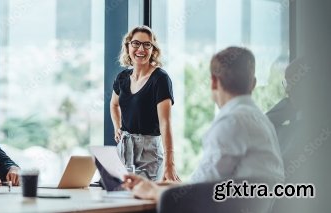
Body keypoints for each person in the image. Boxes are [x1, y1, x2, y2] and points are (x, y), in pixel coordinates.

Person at [123, 47, 285, 201]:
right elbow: (206, 184)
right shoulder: (262, 121)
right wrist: (158, 186)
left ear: (214, 82)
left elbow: (197, 194)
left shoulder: (231, 122)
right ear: (253, 83)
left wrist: (152, 191)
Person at [110, 25, 179, 182]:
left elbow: (165, 124)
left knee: (146, 201)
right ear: (128, 47)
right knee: (122, 198)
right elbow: (114, 104)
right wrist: (117, 126)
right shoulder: (122, 77)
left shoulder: (160, 79)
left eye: (147, 44)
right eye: (136, 43)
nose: (141, 49)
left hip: (149, 152)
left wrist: (170, 164)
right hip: (124, 148)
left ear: (153, 50)